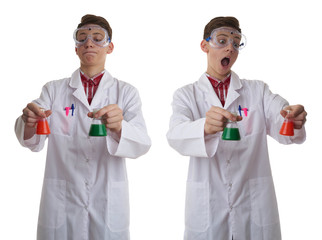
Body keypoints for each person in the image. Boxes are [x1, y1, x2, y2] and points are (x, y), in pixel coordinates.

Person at [166, 16, 307, 240]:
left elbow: (283, 121)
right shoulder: (186, 95)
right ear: (204, 46)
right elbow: (175, 135)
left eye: (236, 42)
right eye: (222, 41)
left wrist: (293, 118)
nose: (230, 48)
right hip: (208, 209)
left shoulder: (257, 91)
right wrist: (204, 126)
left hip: (254, 207)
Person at [15, 14, 151, 240]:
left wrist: (119, 128)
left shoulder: (126, 93)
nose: (89, 42)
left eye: (98, 38)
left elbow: (142, 144)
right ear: (76, 48)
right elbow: (31, 138)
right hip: (62, 202)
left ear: (110, 47)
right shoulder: (54, 90)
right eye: (82, 38)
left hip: (106, 201)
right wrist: (29, 120)